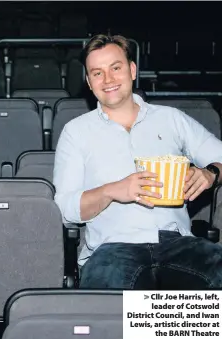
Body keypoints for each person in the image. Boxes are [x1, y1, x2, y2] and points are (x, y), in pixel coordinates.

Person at [53, 34, 222, 290]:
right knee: (111, 313)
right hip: (112, 248)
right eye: (97, 73)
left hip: (178, 243)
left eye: (116, 68)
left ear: (132, 70)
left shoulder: (172, 119)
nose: (108, 80)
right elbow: (65, 209)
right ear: (88, 82)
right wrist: (112, 191)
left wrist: (210, 173)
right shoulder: (76, 132)